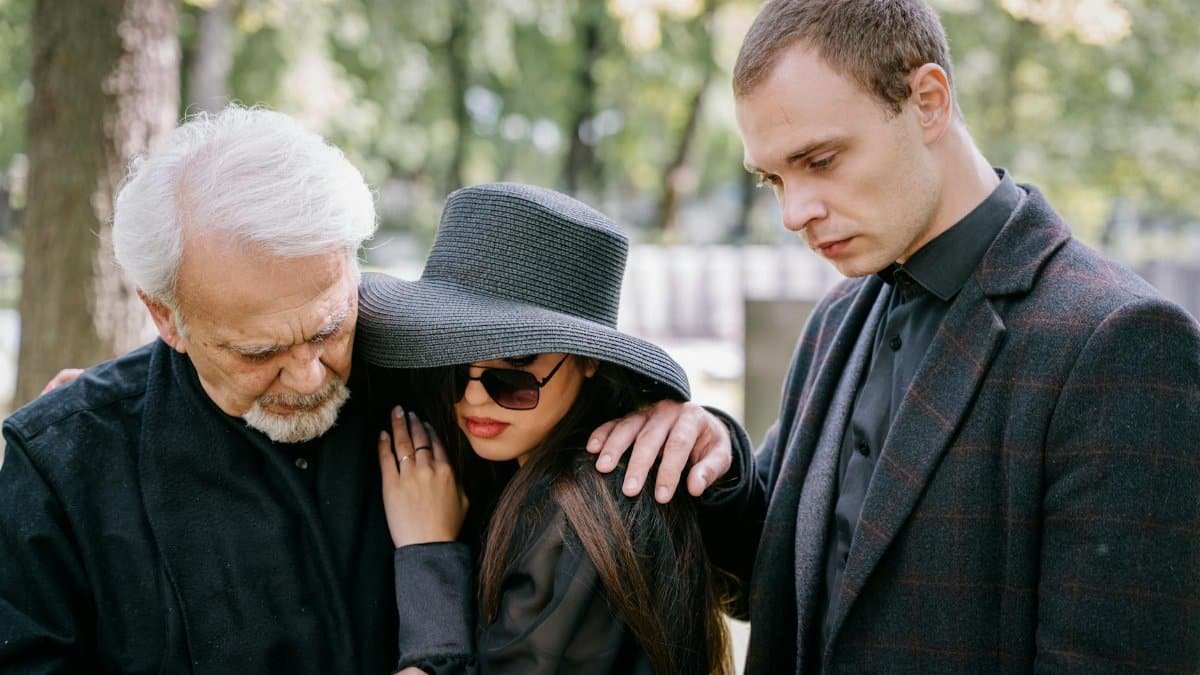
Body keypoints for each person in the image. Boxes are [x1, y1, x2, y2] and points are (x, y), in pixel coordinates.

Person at [0, 107, 744, 673]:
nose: (309, 373)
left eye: (328, 328)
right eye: (258, 350)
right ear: (166, 316)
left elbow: (744, 569)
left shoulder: (447, 381)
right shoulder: (62, 470)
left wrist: (710, 448)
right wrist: (84, 438)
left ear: (352, 269)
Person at [713, 0, 1200, 672]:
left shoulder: (1122, 342)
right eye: (774, 179)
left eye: (820, 160)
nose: (794, 212)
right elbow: (776, 576)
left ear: (929, 102)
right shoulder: (834, 318)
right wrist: (704, 458)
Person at [352, 182, 735, 674]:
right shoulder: (529, 476)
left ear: (588, 360)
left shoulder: (579, 516)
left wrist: (428, 553)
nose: (471, 398)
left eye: (512, 372)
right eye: (450, 364)